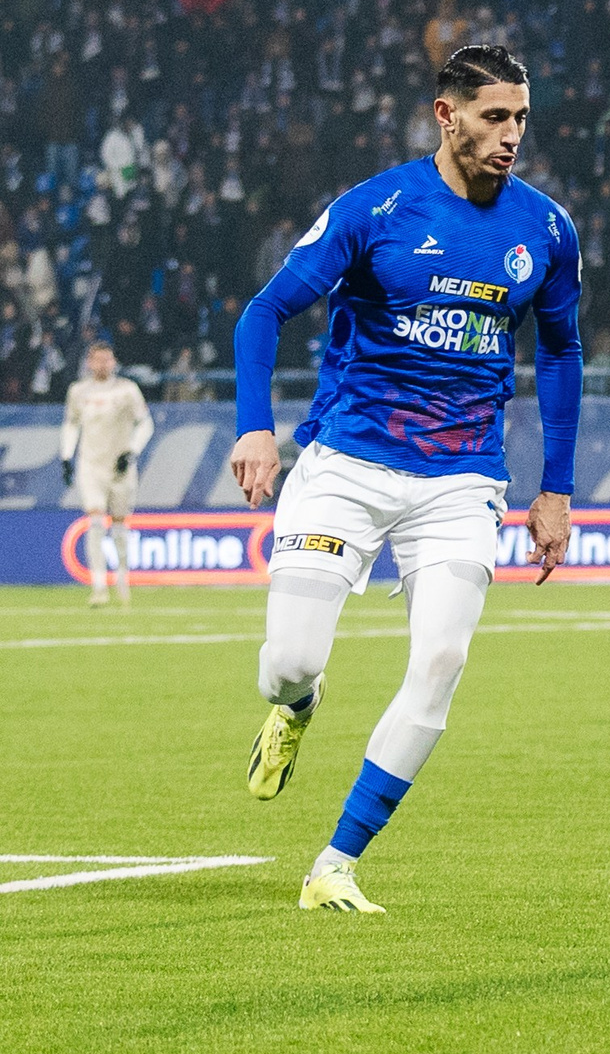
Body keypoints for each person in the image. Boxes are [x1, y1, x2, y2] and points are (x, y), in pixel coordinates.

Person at [228, 45, 582, 913]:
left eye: (522, 119)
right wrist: (254, 427)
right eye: (495, 117)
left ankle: (335, 862)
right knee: (287, 661)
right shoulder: (376, 207)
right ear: (447, 114)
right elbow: (264, 310)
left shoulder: (545, 229)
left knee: (441, 661)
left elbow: (564, 352)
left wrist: (556, 487)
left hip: (462, 479)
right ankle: (297, 706)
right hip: (347, 462)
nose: (511, 136)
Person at [60, 341, 154, 608]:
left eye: (107, 359)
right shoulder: (78, 391)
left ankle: (122, 577)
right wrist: (66, 455)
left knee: (120, 527)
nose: (102, 364)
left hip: (119, 467)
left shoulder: (127, 390)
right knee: (95, 520)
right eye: (97, 359)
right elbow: (71, 424)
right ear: (89, 362)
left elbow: (146, 423)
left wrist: (131, 451)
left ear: (114, 362)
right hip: (91, 465)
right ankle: (99, 585)